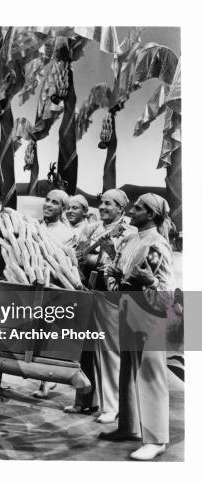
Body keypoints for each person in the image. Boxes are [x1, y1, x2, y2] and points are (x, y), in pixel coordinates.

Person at [99, 193, 174, 461]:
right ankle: (128, 427)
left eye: (140, 207)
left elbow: (165, 291)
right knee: (128, 370)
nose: (134, 209)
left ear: (151, 215)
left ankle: (156, 440)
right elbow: (117, 277)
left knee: (151, 374)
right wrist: (110, 257)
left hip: (151, 314)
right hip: (129, 308)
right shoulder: (132, 239)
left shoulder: (158, 244)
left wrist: (151, 283)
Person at [74, 188, 136, 423]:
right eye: (101, 203)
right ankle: (84, 401)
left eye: (109, 204)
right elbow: (78, 252)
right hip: (88, 289)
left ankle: (112, 406)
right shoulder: (93, 228)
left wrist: (111, 254)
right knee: (84, 349)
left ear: (121, 209)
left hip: (110, 295)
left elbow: (128, 268)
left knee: (109, 350)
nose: (102, 207)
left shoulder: (128, 233)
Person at [33, 189, 73, 398]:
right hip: (28, 283)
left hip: (51, 287)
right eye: (47, 200)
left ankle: (45, 381)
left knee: (45, 333)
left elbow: (61, 265)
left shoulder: (67, 234)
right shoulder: (34, 225)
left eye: (54, 202)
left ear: (63, 209)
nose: (48, 204)